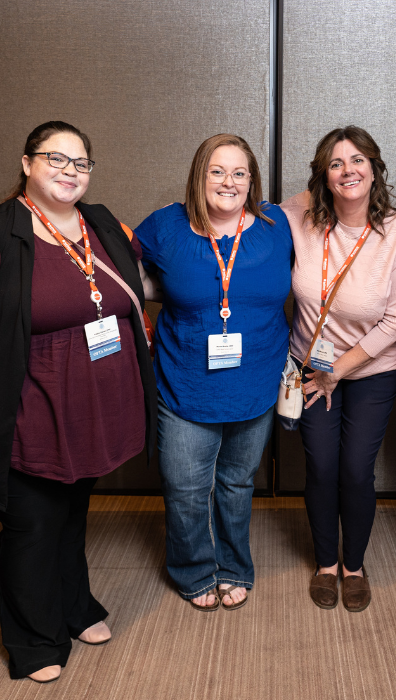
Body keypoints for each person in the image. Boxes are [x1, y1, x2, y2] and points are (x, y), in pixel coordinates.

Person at [0, 121, 158, 683]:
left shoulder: (102, 223)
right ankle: (34, 639)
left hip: (97, 405)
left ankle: (73, 606)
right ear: (26, 163)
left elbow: (138, 282)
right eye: (54, 158)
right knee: (31, 522)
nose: (69, 171)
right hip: (30, 404)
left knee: (72, 511)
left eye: (80, 163)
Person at [135, 134, 292, 612]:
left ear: (252, 181)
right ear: (198, 177)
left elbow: (332, 204)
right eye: (216, 171)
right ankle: (195, 571)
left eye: (239, 172)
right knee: (186, 489)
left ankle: (234, 567)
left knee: (237, 483)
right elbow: (114, 269)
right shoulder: (165, 225)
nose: (228, 181)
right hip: (185, 383)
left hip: (256, 382)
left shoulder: (276, 223)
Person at [281, 126, 396, 612]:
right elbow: (241, 211)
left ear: (375, 168)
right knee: (320, 466)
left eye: (357, 160)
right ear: (324, 174)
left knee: (357, 470)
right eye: (336, 164)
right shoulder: (301, 216)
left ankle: (354, 566)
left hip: (368, 372)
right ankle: (325, 563)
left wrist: (337, 370)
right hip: (308, 367)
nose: (347, 171)